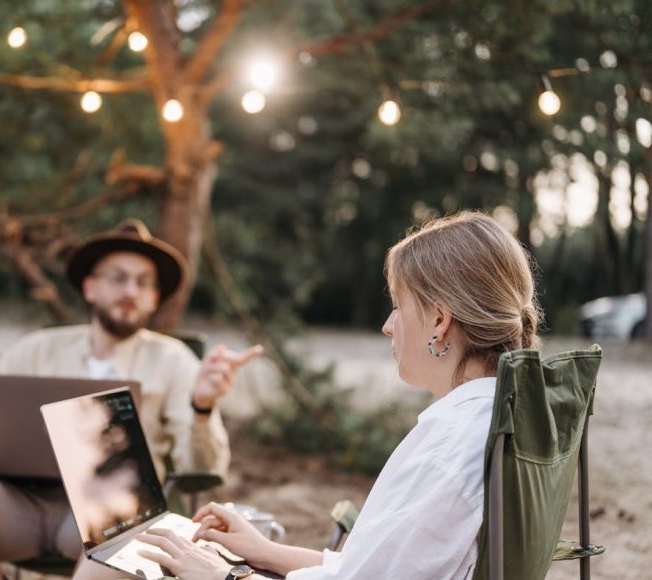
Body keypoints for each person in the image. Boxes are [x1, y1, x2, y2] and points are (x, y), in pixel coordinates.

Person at [136, 211, 542, 580]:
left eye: (397, 306)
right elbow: (370, 571)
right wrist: (266, 552)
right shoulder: (495, 420)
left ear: (439, 321)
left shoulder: (450, 448)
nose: (388, 325)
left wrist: (220, 576)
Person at [0, 219, 262, 580]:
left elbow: (204, 467)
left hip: (116, 514)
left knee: (129, 536)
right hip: (20, 502)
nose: (130, 290)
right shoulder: (36, 350)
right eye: (118, 278)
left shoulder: (173, 361)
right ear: (90, 287)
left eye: (143, 282)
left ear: (154, 298)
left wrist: (202, 408)